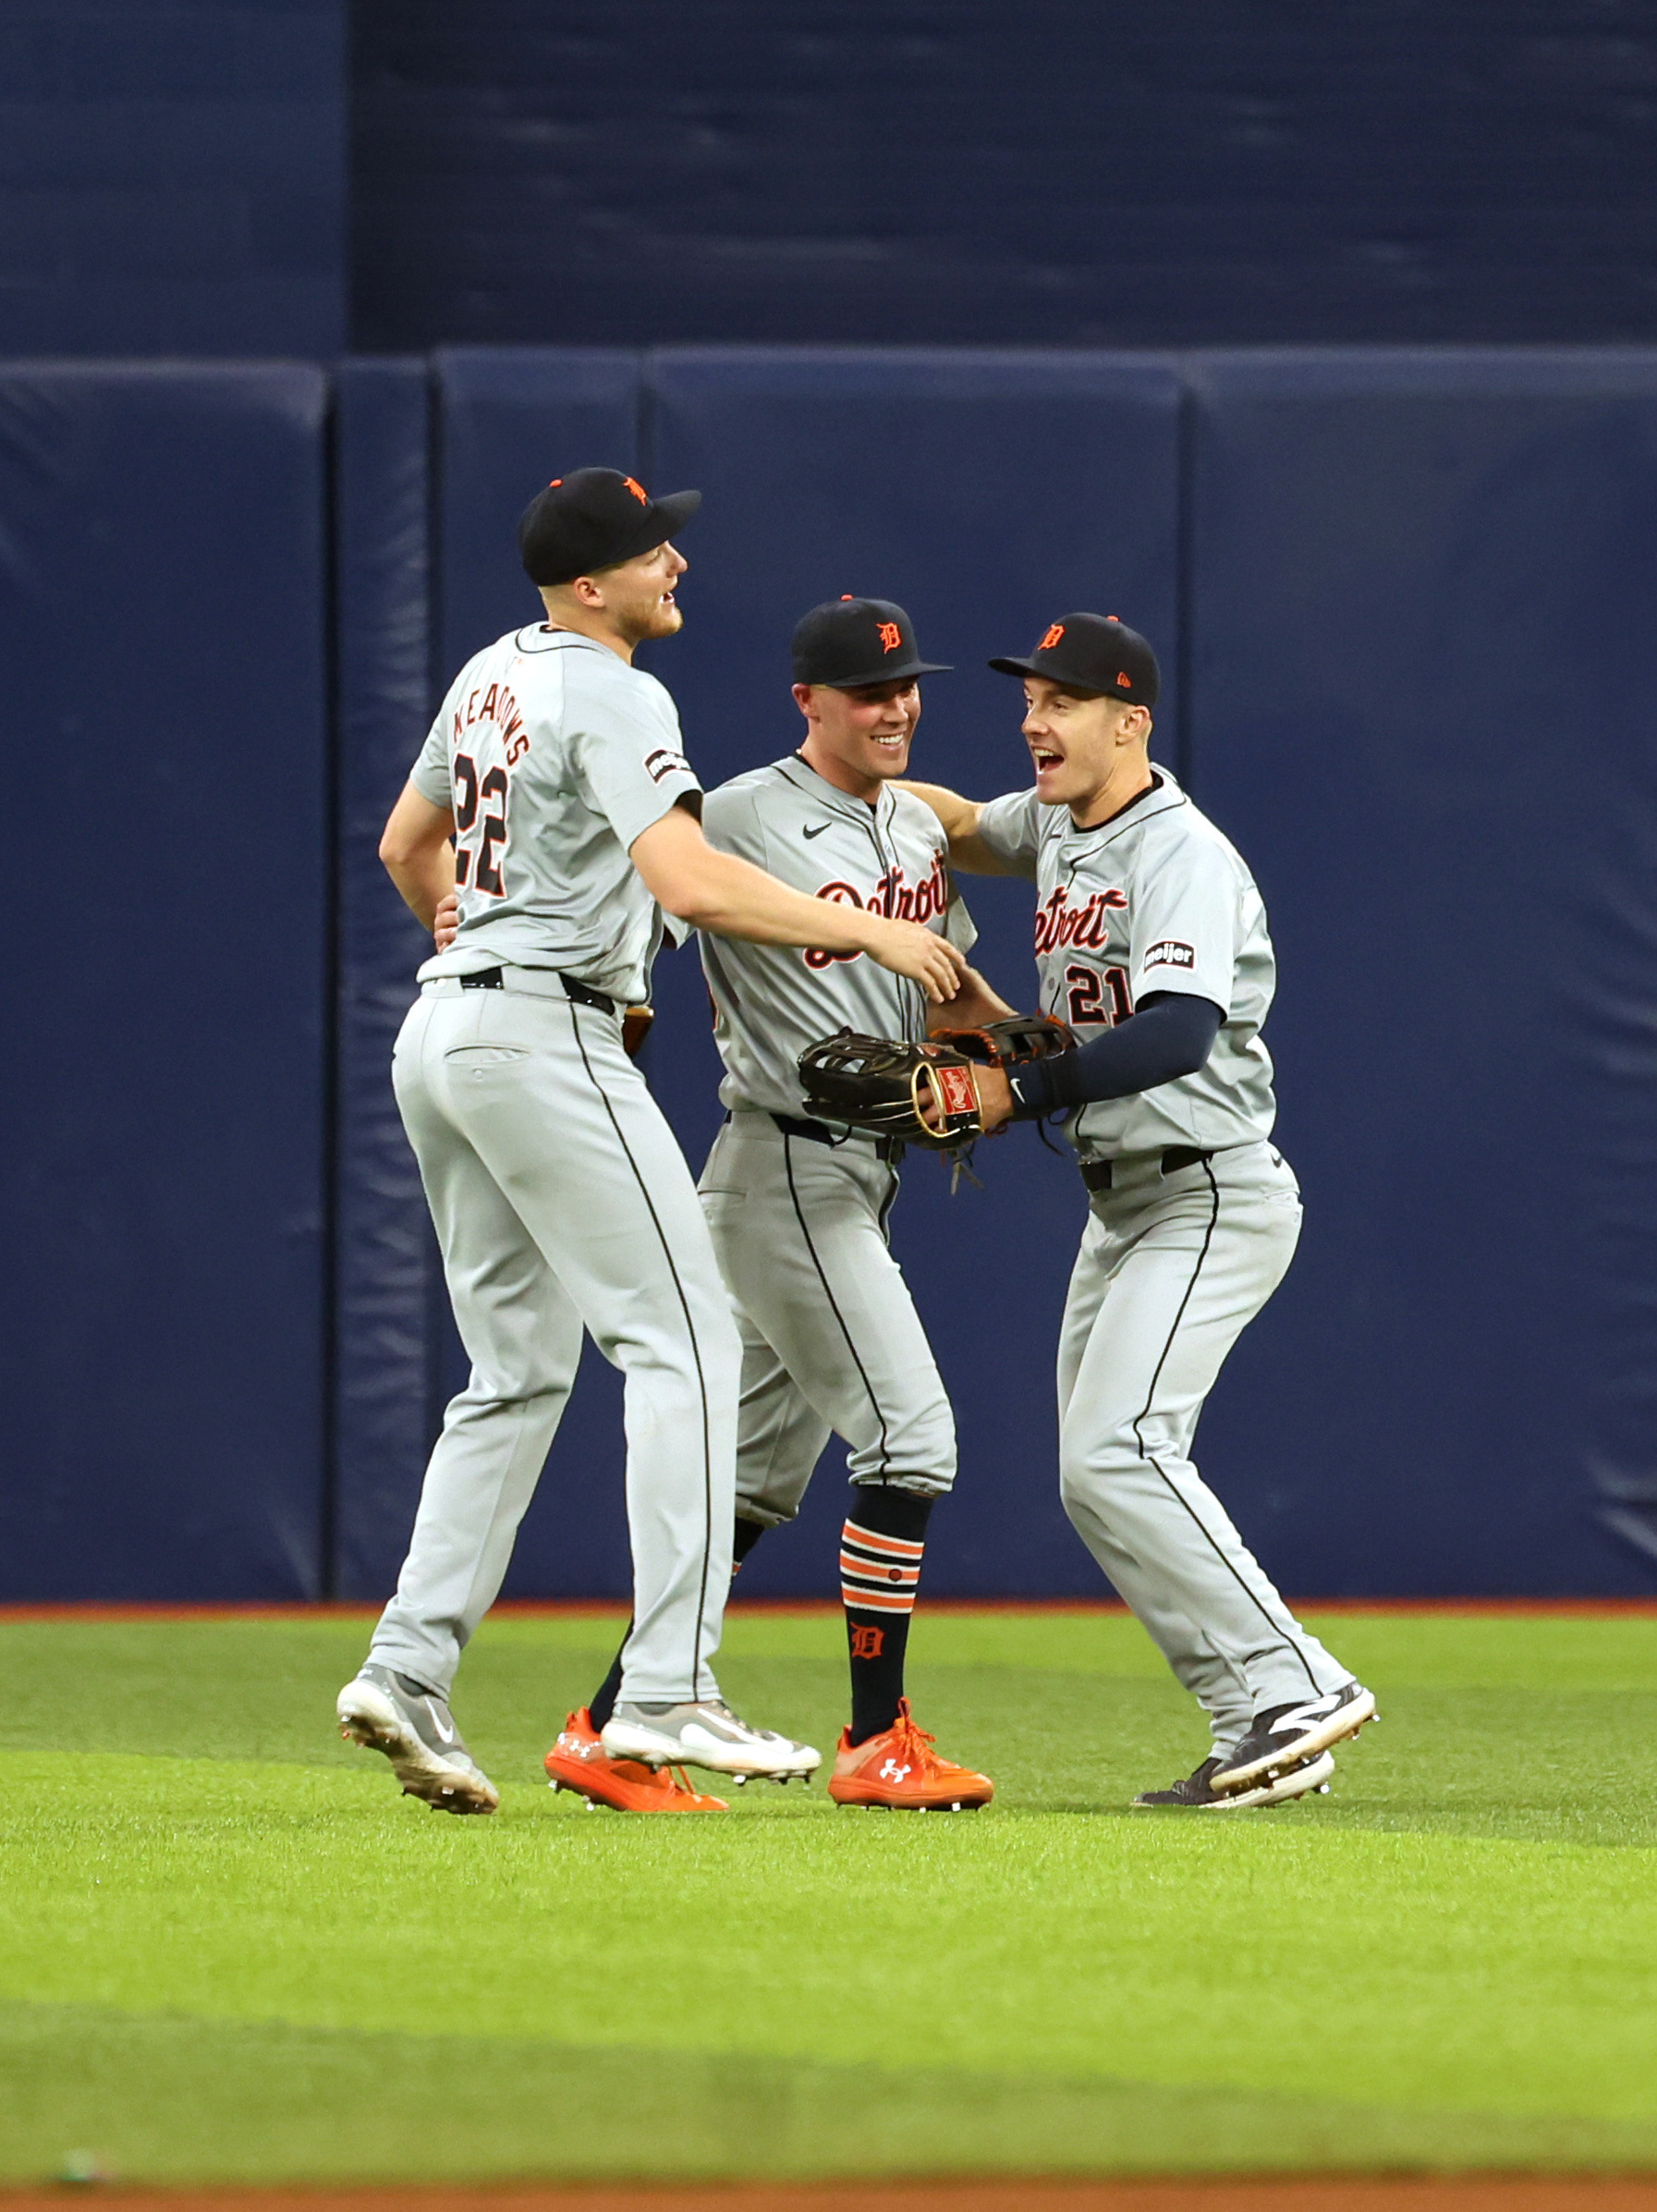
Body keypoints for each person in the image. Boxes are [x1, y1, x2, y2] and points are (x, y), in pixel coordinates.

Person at [335, 471, 963, 1814]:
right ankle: (668, 1690)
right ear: (586, 582)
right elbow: (685, 882)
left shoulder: (492, 672)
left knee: (511, 1373)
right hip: (541, 1035)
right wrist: (865, 925)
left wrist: (463, 922)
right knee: (680, 1344)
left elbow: (405, 846)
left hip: (444, 1034)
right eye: (645, 548)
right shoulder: (614, 690)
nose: (671, 559)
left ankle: (407, 1664)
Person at [898, 612, 1376, 1810]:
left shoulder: (1180, 853)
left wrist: (1019, 1084)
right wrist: (848, 791)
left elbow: (1175, 1032)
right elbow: (957, 825)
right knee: (1094, 1469)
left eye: (1060, 702)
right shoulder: (1059, 819)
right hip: (1121, 1201)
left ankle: (1294, 1681)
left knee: (1121, 1449)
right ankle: (1254, 1724)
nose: (1032, 721)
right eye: (1026, 699)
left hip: (1206, 1183)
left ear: (1129, 722)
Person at [546, 597, 999, 1814]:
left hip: (859, 1172)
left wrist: (1023, 1049)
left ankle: (604, 1724)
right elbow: (652, 910)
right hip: (784, 1164)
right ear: (807, 700)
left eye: (906, 685)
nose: (894, 706)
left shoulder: (911, 825)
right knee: (912, 1437)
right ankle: (875, 1735)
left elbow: (950, 992)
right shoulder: (737, 812)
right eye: (867, 689)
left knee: (745, 1487)